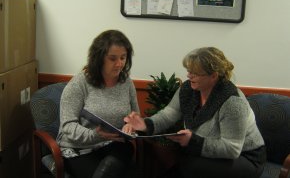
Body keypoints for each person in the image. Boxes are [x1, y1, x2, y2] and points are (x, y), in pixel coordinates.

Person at [124, 47, 266, 178]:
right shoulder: (188, 89)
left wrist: (193, 142)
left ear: (213, 76)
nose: (189, 75)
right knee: (186, 163)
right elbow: (168, 114)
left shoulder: (233, 102)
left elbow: (232, 149)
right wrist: (145, 125)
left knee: (190, 165)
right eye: (188, 70)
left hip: (245, 157)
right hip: (204, 156)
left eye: (195, 73)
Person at [56, 29, 139, 178]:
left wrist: (131, 124)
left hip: (114, 145)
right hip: (80, 149)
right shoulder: (79, 83)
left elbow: (135, 115)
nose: (119, 64)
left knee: (124, 151)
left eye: (123, 57)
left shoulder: (126, 82)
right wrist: (95, 135)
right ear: (99, 58)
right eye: (113, 58)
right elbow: (67, 126)